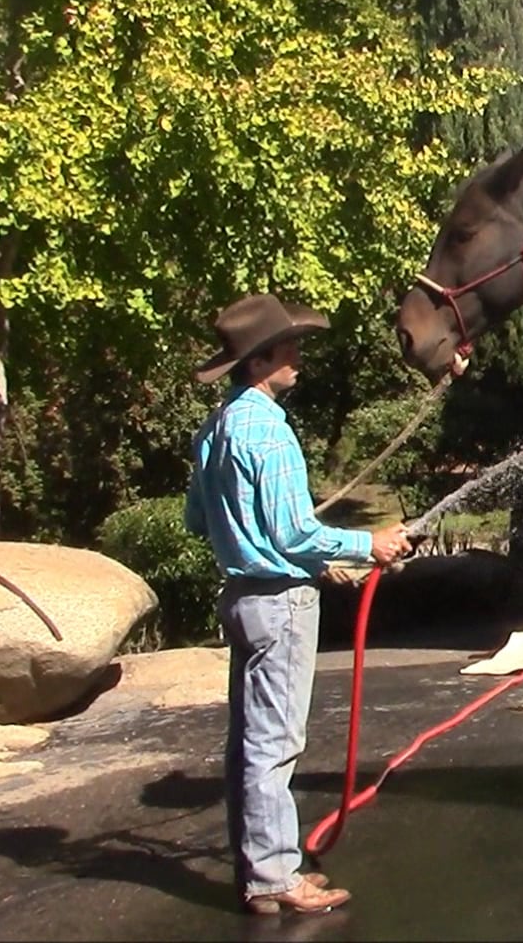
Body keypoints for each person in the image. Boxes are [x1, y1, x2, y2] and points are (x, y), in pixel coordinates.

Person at [183, 293, 412, 916]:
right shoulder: (270, 429)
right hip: (280, 605)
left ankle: (258, 866)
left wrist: (309, 559)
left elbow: (197, 520)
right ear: (261, 361)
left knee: (249, 741)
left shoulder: (216, 429)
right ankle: (275, 878)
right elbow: (291, 534)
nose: (298, 359)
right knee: (274, 742)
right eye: (289, 348)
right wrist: (369, 543)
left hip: (241, 598)